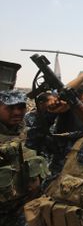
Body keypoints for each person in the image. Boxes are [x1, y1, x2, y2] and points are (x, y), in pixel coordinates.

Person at [0, 90, 49, 226]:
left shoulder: (29, 133)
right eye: (10, 108)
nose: (16, 112)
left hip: (26, 207)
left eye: (21, 107)